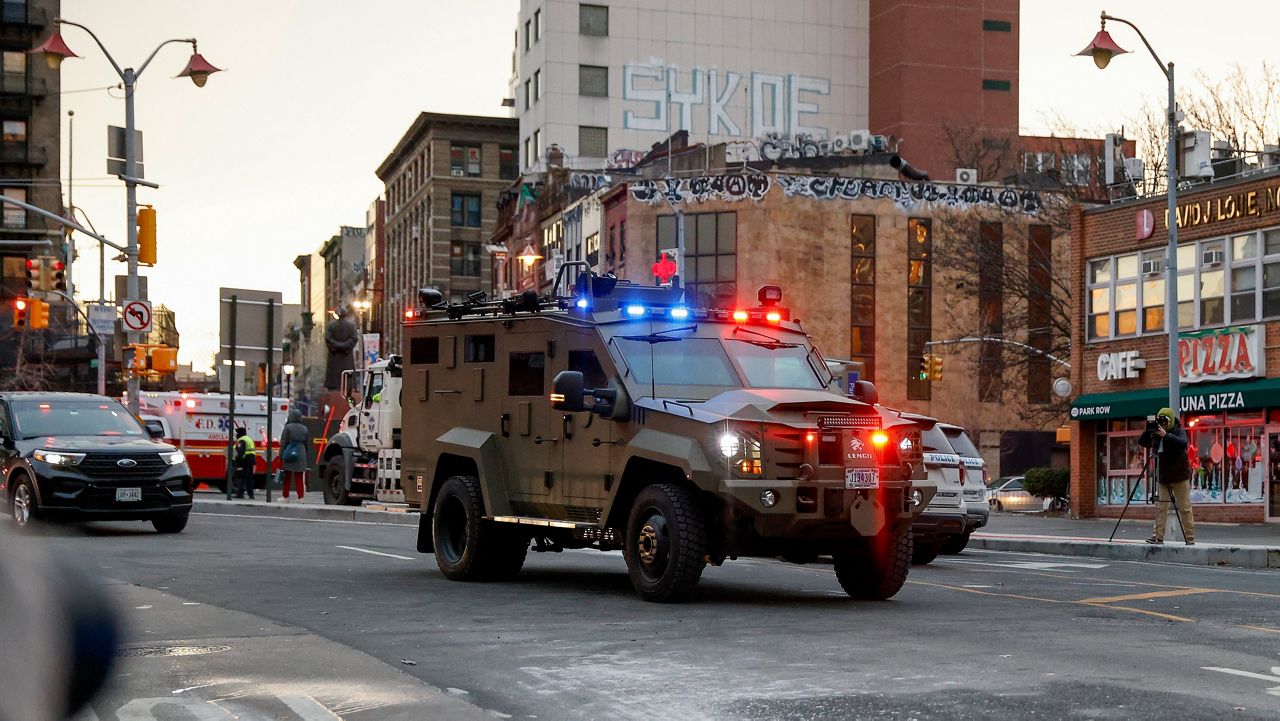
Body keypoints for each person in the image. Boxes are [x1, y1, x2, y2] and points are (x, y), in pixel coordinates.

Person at [1138, 407, 1195, 545]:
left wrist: (1166, 435)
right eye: (1160, 420)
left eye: (1165, 420)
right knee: (1160, 507)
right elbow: (1142, 442)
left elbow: (1183, 443)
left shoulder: (1178, 430)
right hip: (1163, 476)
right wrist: (1150, 429)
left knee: (1184, 508)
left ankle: (1190, 537)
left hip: (1180, 475)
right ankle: (1157, 536)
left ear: (1170, 421)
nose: (1163, 423)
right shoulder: (1157, 431)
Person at [278, 410, 311, 503]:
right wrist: (306, 455)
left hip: (289, 451)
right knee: (299, 477)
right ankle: (301, 497)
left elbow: (283, 442)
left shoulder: (288, 427)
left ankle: (285, 496)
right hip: (301, 453)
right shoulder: (305, 428)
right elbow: (307, 444)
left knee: (287, 477)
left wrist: (281, 455)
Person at [232, 427, 257, 499]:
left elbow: (240, 453)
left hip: (244, 460)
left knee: (241, 477)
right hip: (252, 459)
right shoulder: (249, 439)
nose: (236, 435)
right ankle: (251, 494)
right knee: (249, 478)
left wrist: (236, 462)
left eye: (237, 433)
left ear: (240, 433)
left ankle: (240, 494)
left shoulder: (241, 440)